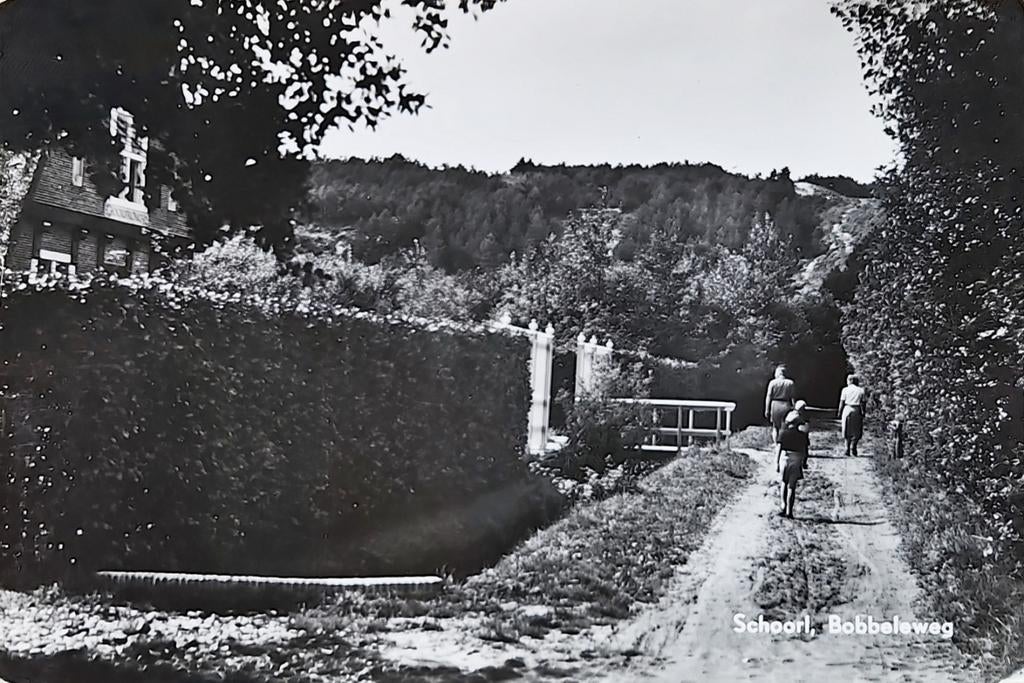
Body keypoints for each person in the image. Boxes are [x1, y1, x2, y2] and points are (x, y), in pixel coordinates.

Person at [777, 412, 809, 518]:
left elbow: (779, 449)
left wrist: (777, 462)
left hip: (785, 458)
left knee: (784, 482)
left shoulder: (783, 433)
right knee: (792, 486)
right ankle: (789, 511)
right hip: (796, 459)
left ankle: (783, 505)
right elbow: (805, 451)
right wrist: (804, 462)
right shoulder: (802, 435)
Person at [764, 365, 796, 443]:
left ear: (778, 373)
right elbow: (793, 397)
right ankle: (784, 444)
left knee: (775, 427)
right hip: (786, 404)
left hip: (775, 404)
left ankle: (776, 444)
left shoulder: (772, 383)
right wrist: (795, 408)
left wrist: (767, 409)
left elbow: (768, 396)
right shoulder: (790, 383)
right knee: (785, 426)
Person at [838, 374, 867, 457]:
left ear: (850, 381)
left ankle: (847, 448)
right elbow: (863, 402)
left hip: (847, 408)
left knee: (846, 428)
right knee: (857, 429)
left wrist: (839, 412)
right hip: (857, 409)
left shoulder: (845, 390)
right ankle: (854, 447)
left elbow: (842, 402)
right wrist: (863, 412)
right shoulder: (861, 390)